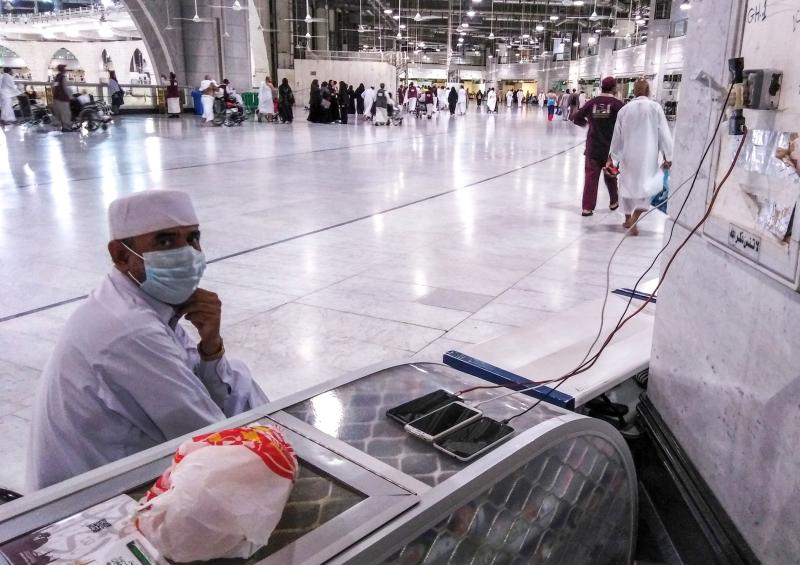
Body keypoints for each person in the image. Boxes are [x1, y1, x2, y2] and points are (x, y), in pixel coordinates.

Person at [27, 190, 269, 489]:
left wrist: (211, 347)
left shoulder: (137, 298)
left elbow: (198, 383)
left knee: (240, 379)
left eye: (192, 239)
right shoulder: (129, 329)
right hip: (97, 501)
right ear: (121, 256)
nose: (188, 254)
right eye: (165, 241)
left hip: (121, 470)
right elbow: (207, 436)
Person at [609, 79, 674, 235]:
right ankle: (635, 219)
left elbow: (616, 137)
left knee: (626, 186)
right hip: (648, 155)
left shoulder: (624, 110)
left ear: (634, 92)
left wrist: (614, 158)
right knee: (647, 187)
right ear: (648, 91)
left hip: (628, 155)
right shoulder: (655, 108)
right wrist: (668, 155)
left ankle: (626, 219)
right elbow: (664, 133)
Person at [572, 77, 624, 217]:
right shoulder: (618, 105)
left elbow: (576, 118)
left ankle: (587, 208)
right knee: (611, 175)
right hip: (610, 150)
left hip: (593, 148)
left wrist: (589, 125)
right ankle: (614, 202)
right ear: (614, 88)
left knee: (591, 178)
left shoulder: (592, 103)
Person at [51, 64, 74, 132]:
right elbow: (65, 88)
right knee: (66, 113)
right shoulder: (63, 77)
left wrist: (55, 95)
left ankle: (64, 126)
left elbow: (53, 87)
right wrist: (70, 97)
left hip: (56, 98)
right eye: (64, 68)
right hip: (63, 99)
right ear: (63, 70)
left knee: (60, 113)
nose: (65, 70)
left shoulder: (57, 77)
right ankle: (66, 128)